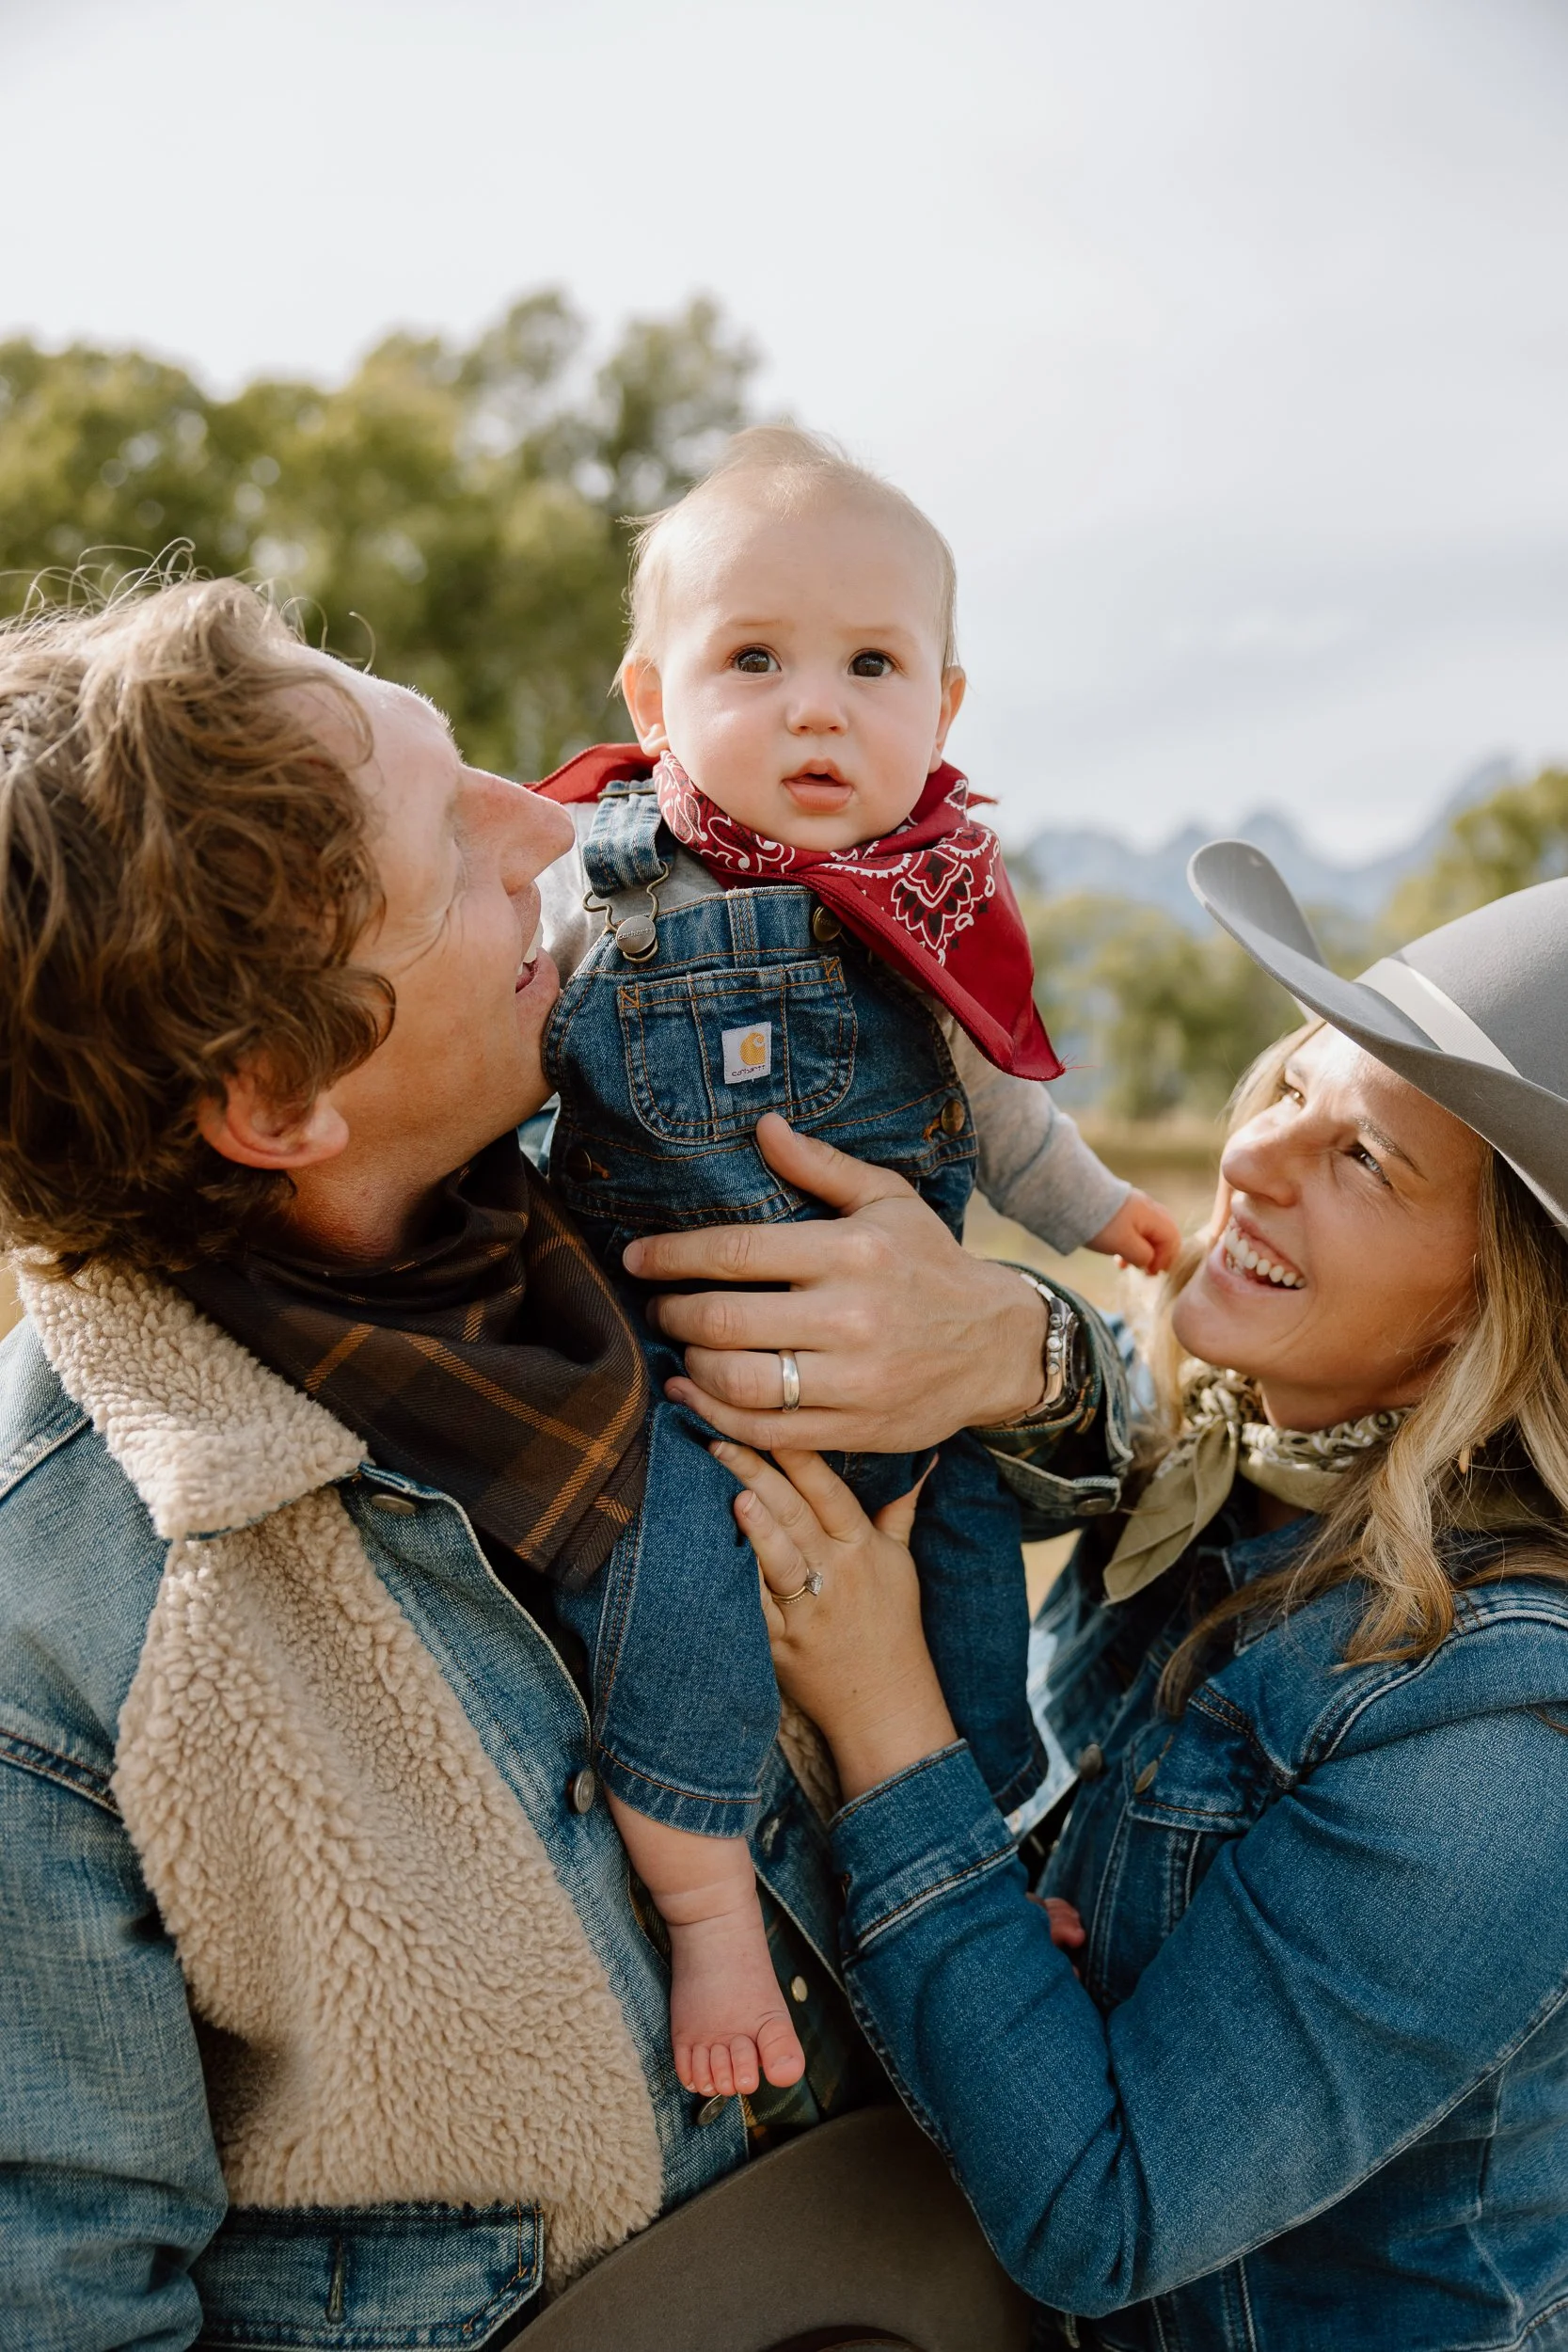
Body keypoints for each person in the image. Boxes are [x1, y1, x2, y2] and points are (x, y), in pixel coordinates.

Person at [0, 574, 1099, 2352]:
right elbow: (57, 2303)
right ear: (283, 1100)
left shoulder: (671, 1142)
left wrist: (1027, 1354)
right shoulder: (51, 1620)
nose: (552, 821)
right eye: (448, 845)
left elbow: (1137, 1478)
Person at [712, 841, 1568, 2351]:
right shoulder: (1248, 1466)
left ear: (1488, 1315)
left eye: (1362, 1160)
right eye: (1292, 1086)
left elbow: (1102, 2216)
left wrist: (884, 1725)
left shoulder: (1501, 1732)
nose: (1251, 1160)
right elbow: (1088, 1399)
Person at [526, 424, 1180, 2100]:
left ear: (943, 708)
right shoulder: (589, 893)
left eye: (871, 664)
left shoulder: (929, 905)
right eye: (753, 659)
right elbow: (506, 1096)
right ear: (652, 698)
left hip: (919, 1408)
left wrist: (1101, 1218)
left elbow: (1004, 1113)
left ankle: (985, 1867)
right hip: (684, 1402)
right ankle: (709, 1910)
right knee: (669, 1621)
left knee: (965, 1610)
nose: (817, 706)